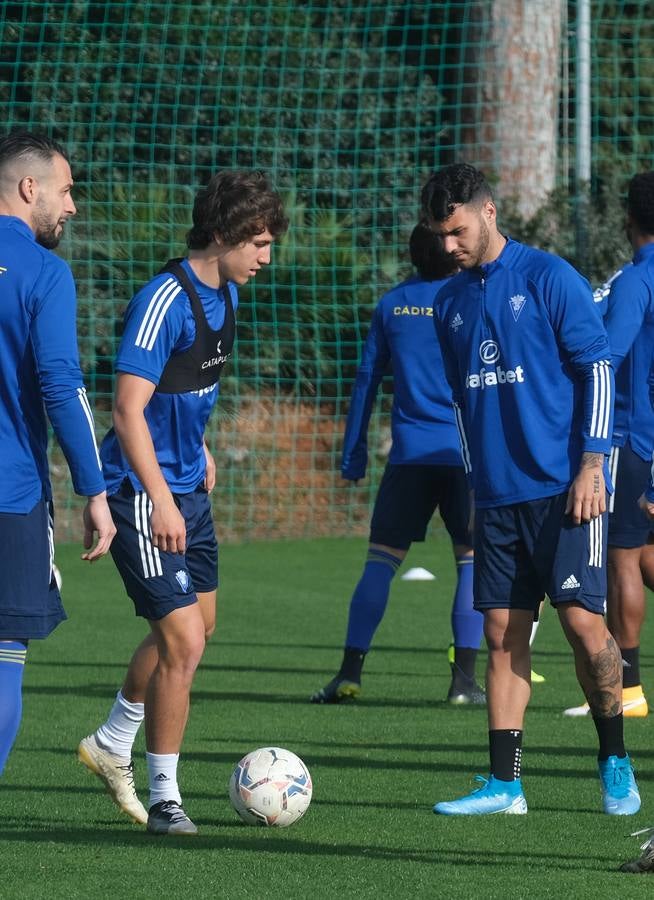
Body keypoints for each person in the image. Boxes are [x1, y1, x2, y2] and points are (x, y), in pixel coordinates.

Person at [424, 163, 640, 817]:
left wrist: (593, 466)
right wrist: (472, 479)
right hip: (495, 495)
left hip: (566, 489)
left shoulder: (549, 278)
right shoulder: (447, 303)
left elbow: (598, 368)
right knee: (501, 634)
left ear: (488, 213)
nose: (449, 245)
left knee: (582, 626)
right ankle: (505, 784)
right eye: (439, 235)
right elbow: (463, 406)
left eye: (457, 231)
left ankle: (614, 761)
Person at [77, 170, 288, 835]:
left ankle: (113, 739)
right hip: (142, 494)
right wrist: (164, 498)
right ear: (222, 234)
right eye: (257, 242)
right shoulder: (163, 300)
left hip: (185, 487)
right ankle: (166, 797)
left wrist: (198, 449)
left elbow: (183, 395)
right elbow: (129, 409)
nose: (266, 256)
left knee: (197, 631)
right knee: (185, 642)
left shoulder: (227, 296)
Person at [311, 221, 485, 706]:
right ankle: (464, 682)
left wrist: (354, 452)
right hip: (464, 457)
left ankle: (349, 673)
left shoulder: (392, 305)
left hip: (409, 456)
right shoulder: (472, 299)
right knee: (471, 561)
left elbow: (366, 381)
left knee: (381, 562)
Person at [0, 130, 115, 776]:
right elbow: (61, 384)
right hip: (9, 494)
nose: (72, 206)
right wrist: (94, 491)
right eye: (66, 191)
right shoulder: (45, 272)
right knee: (4, 656)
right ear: (28, 188)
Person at [565, 172, 654, 719]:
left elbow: (606, 358)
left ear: (630, 217)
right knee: (643, 556)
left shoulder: (635, 280)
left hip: (626, 439)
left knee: (621, 560)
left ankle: (629, 690)